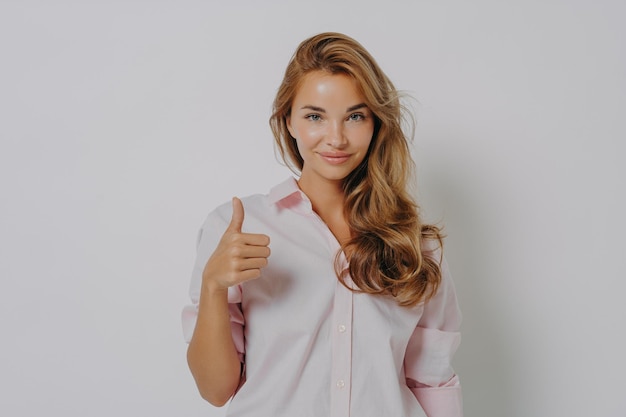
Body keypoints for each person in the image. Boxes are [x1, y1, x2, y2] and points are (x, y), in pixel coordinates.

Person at [182, 32, 463, 417]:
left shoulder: (415, 244)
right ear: (289, 121)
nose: (336, 138)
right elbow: (215, 391)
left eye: (355, 116)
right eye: (315, 116)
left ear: (376, 123)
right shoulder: (237, 229)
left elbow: (431, 381)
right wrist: (213, 286)